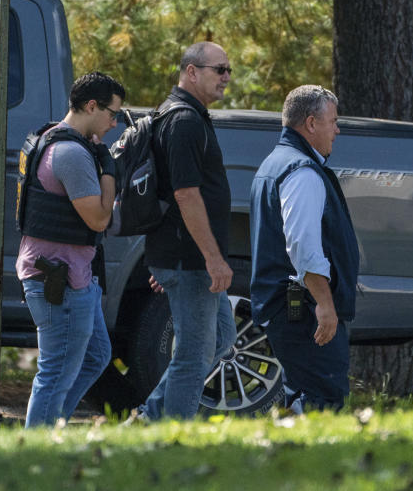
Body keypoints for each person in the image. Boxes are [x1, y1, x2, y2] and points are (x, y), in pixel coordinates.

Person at [136, 42, 237, 421]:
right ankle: (174, 436)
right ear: (192, 72)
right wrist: (212, 258)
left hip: (187, 258)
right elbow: (185, 194)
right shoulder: (184, 120)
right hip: (191, 260)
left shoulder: (190, 114)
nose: (226, 77)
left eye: (228, 70)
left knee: (221, 339)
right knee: (194, 355)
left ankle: (151, 415)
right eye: (219, 69)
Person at [16, 72, 123, 427]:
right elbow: (98, 219)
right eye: (112, 114)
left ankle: (52, 425)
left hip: (73, 275)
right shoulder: (72, 153)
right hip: (58, 281)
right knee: (55, 375)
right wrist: (109, 172)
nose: (114, 123)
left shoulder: (49, 136)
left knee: (96, 356)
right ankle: (36, 454)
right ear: (91, 106)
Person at [249, 85, 360, 412]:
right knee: (322, 397)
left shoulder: (275, 163)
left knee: (300, 393)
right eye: (333, 121)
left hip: (290, 306)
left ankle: (288, 456)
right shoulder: (301, 171)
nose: (337, 130)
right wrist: (325, 304)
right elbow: (303, 245)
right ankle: (312, 460)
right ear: (311, 123)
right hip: (303, 306)